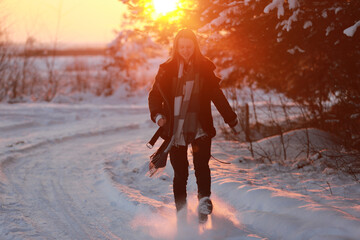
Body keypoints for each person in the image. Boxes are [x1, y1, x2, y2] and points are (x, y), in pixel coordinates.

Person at [148, 29, 241, 221]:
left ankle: (204, 202)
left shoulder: (204, 68)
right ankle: (181, 214)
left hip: (200, 126)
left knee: (202, 166)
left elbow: (217, 96)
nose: (185, 50)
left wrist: (231, 119)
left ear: (195, 46)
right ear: (176, 47)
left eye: (189, 46)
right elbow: (154, 96)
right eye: (181, 46)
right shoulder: (166, 69)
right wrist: (158, 116)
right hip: (175, 129)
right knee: (180, 173)